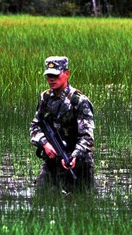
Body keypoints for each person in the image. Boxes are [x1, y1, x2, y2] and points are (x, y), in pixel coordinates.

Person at [29, 56, 95, 193]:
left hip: (78, 163)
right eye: (48, 76)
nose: (51, 79)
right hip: (52, 160)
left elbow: (87, 138)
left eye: (55, 75)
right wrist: (45, 144)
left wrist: (74, 155)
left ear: (66, 74)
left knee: (82, 202)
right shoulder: (45, 98)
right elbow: (35, 126)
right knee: (41, 196)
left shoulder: (79, 101)